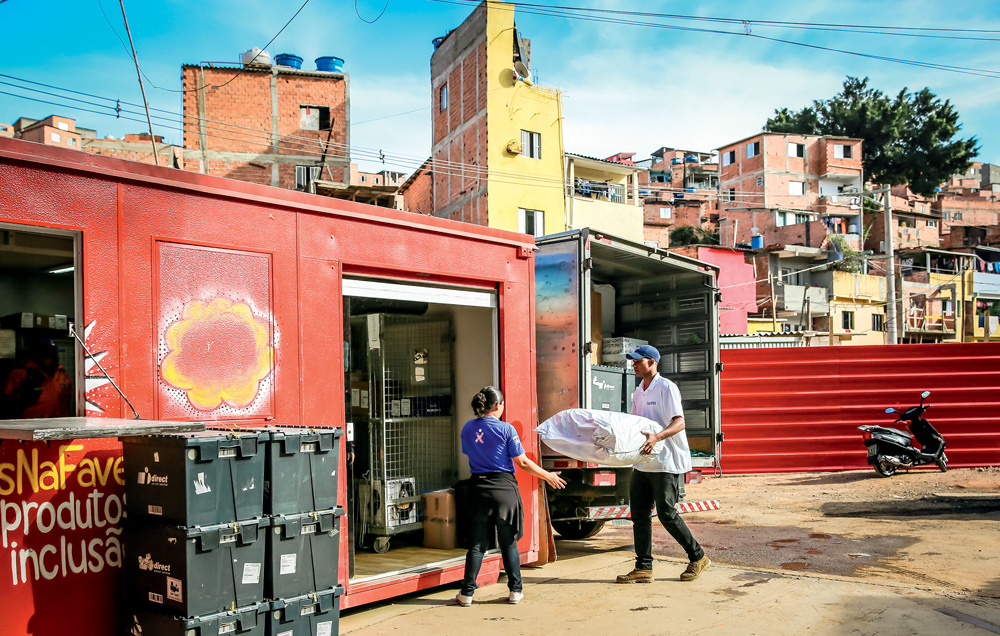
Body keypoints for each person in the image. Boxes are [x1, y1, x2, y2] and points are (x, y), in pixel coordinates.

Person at [456, 386, 566, 607]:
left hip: (478, 488)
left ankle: (466, 594)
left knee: (477, 544)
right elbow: (522, 462)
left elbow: (470, 453)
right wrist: (548, 476)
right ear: (498, 405)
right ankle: (515, 591)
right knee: (508, 542)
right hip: (504, 489)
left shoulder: (468, 428)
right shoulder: (506, 429)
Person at [616, 345, 710, 584]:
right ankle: (643, 568)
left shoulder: (666, 387)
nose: (634, 364)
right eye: (633, 361)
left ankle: (698, 557)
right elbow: (634, 422)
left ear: (652, 362)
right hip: (643, 463)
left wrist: (657, 436)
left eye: (638, 360)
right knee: (639, 515)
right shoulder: (639, 391)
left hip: (665, 462)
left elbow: (679, 422)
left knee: (667, 514)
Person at [2, 339, 71, 419]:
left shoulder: (61, 374)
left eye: (55, 355)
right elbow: (6, 405)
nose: (55, 359)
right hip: (28, 425)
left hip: (60, 425)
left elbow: (66, 402)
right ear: (38, 356)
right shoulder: (19, 375)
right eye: (50, 356)